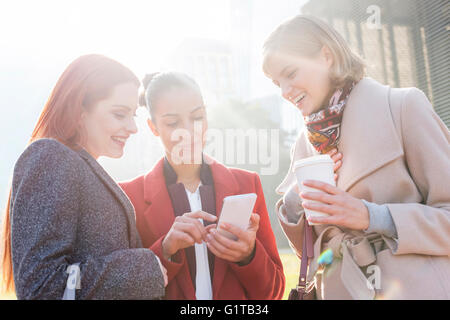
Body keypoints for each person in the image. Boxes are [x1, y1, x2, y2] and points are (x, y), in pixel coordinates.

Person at [262, 14, 450, 299]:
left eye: (291, 73)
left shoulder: (403, 107)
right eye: (278, 83)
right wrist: (294, 200)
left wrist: (372, 216)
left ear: (326, 56)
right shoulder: (306, 142)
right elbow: (311, 254)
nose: (285, 92)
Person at [0, 54, 168, 299]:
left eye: (133, 115)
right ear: (80, 110)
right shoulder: (51, 157)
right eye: (120, 114)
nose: (132, 127)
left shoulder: (80, 167)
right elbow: (42, 285)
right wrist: (142, 268)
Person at [119, 72, 286, 300]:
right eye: (173, 123)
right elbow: (123, 291)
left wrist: (249, 255)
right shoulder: (128, 197)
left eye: (197, 117)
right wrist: (165, 249)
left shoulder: (248, 184)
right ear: (153, 127)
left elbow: (273, 293)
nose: (188, 131)